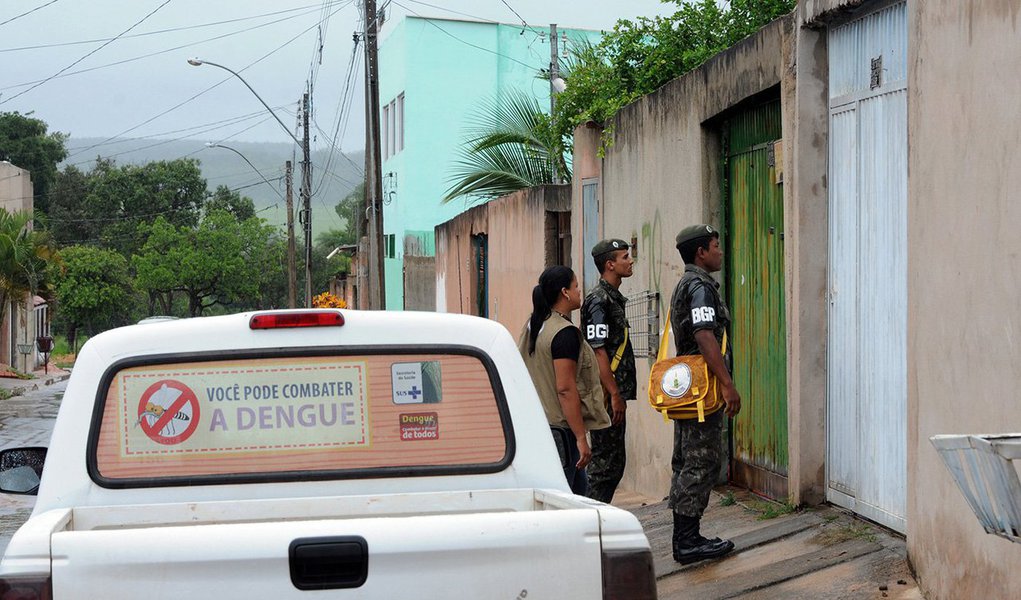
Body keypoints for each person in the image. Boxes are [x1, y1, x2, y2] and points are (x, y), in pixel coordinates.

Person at [668, 224, 742, 564]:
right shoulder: (699, 287)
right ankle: (687, 541)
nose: (720, 250)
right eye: (716, 244)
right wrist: (727, 384)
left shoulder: (687, 284)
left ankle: (687, 536)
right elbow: (704, 335)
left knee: (686, 461)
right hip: (702, 391)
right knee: (701, 461)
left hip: (689, 387)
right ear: (701, 252)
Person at [518, 266, 610, 495]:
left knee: (575, 495)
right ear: (565, 292)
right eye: (576, 286)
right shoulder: (563, 333)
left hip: (537, 426)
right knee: (564, 499)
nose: (580, 291)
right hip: (560, 432)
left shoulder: (534, 325)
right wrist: (580, 437)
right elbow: (565, 389)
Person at [581, 239, 636, 504]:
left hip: (613, 393)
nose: (631, 261)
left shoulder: (612, 299)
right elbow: (597, 351)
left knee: (613, 462)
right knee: (605, 465)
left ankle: (595, 518)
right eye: (625, 257)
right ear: (610, 264)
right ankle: (589, 521)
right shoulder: (598, 301)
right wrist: (614, 394)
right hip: (605, 396)